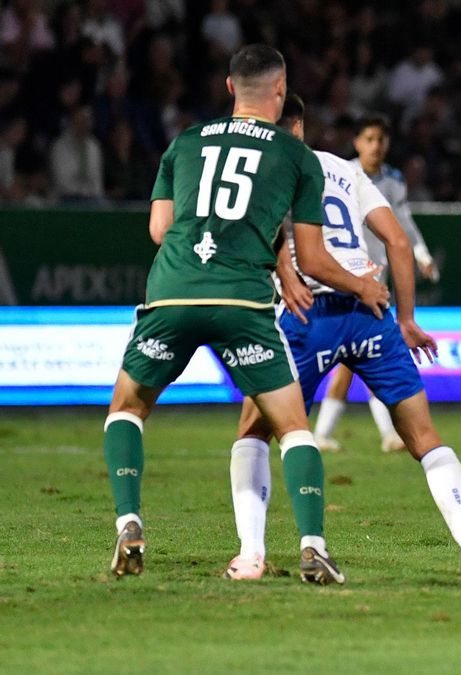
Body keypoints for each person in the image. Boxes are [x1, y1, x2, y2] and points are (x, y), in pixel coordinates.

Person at [104, 45, 389, 583]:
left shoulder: (184, 143)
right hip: (241, 299)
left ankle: (130, 522)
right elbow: (315, 258)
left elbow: (160, 231)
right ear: (280, 92)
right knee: (291, 426)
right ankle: (312, 545)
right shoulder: (296, 157)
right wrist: (361, 286)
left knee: (128, 407)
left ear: (230, 88)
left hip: (173, 292)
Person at [224, 94, 461, 585]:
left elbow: (262, 245)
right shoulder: (341, 168)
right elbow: (397, 241)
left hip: (309, 313)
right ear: (301, 125)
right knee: (425, 439)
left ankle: (251, 556)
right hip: (372, 311)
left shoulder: (263, 171)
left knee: (253, 430)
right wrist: (407, 317)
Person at [312, 113, 440, 454]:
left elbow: (403, 222)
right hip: (343, 274)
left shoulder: (394, 179)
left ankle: (330, 433)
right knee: (360, 355)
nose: (376, 146)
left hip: (377, 275)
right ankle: (366, 433)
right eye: (369, 139)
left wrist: (421, 252)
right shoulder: (340, 171)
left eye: (381, 140)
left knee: (362, 355)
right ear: (356, 142)